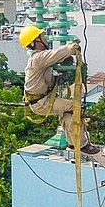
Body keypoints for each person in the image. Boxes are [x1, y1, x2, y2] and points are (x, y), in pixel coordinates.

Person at [20, 24, 99, 155]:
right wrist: (71, 47)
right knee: (76, 106)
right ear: (36, 42)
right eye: (42, 36)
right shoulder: (38, 58)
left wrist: (59, 75)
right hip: (41, 103)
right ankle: (81, 145)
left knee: (68, 109)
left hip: (41, 100)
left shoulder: (38, 58)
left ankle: (75, 143)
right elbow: (55, 54)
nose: (45, 39)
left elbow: (51, 64)